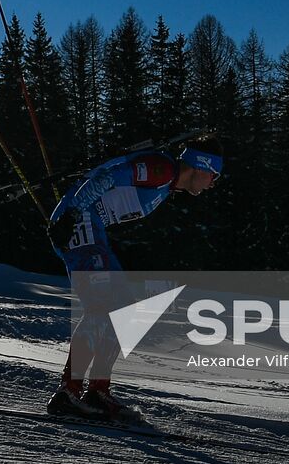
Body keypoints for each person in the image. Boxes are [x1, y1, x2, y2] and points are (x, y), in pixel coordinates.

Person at [45, 134, 223, 418]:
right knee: (103, 306)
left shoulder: (166, 182)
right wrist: (70, 217)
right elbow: (106, 179)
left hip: (87, 226)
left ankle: (97, 391)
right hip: (79, 223)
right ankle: (69, 392)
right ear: (201, 166)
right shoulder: (162, 170)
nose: (213, 184)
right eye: (214, 175)